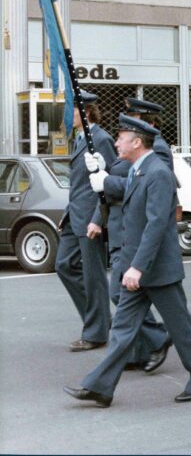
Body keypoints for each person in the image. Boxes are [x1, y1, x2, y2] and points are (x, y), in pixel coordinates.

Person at [64, 115, 191, 408]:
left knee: (181, 327)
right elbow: (124, 191)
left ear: (136, 142)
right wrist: (103, 180)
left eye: (121, 137)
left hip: (156, 270)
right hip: (138, 268)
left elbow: (157, 225)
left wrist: (137, 266)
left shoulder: (158, 173)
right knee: (121, 331)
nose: (116, 141)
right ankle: (100, 387)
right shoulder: (138, 170)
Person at [84, 98, 172, 372]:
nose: (127, 128)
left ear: (150, 125)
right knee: (123, 297)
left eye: (135, 120)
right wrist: (103, 170)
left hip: (137, 232)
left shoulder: (159, 152)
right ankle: (141, 347)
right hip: (123, 228)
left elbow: (136, 185)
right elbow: (114, 179)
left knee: (122, 295)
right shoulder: (129, 153)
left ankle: (156, 338)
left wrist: (106, 175)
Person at [55, 91, 115, 352]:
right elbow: (81, 184)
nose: (69, 116)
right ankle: (100, 318)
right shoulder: (80, 139)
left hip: (91, 219)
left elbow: (109, 182)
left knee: (94, 277)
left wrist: (97, 219)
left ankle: (96, 332)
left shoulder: (100, 139)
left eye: (73, 110)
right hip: (75, 217)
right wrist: (68, 213)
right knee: (64, 265)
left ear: (86, 111)